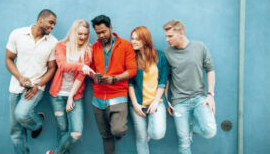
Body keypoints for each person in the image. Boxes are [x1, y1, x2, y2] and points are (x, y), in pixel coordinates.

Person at [5, 9, 58, 154]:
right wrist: (20, 77)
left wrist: (37, 85)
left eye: (54, 25)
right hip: (16, 86)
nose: (52, 27)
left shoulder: (53, 43)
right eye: (51, 22)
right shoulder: (17, 34)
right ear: (41, 19)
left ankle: (37, 124)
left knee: (21, 114)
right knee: (16, 131)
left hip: (36, 87)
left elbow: (52, 68)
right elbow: (9, 59)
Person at [163, 20, 217, 154]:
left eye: (170, 36)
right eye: (166, 36)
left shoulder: (200, 47)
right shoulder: (167, 53)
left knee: (209, 130)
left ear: (181, 33)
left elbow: (210, 70)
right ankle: (187, 134)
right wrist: (165, 99)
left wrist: (210, 95)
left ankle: (191, 130)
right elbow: (166, 78)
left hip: (200, 98)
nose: (167, 39)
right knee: (184, 142)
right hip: (179, 103)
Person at [89, 15, 137, 154]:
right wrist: (94, 77)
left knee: (118, 131)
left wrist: (114, 79)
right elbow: (91, 70)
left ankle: (118, 131)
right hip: (98, 99)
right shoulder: (95, 47)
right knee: (105, 136)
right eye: (98, 33)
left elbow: (132, 70)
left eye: (104, 31)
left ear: (110, 28)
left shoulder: (125, 45)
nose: (101, 35)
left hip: (118, 96)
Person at [46, 19, 93, 154]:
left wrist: (71, 96)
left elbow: (81, 75)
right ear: (73, 33)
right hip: (57, 96)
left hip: (75, 96)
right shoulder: (61, 46)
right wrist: (81, 66)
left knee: (76, 133)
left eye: (85, 34)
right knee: (62, 130)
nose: (83, 37)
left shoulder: (88, 50)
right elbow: (63, 66)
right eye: (80, 34)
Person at [128, 26, 168, 154]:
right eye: (132, 39)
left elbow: (163, 81)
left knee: (158, 134)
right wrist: (135, 105)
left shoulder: (160, 56)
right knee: (141, 137)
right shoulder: (131, 58)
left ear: (145, 40)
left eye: (137, 39)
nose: (133, 41)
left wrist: (156, 101)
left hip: (157, 101)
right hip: (138, 103)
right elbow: (130, 84)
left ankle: (150, 130)